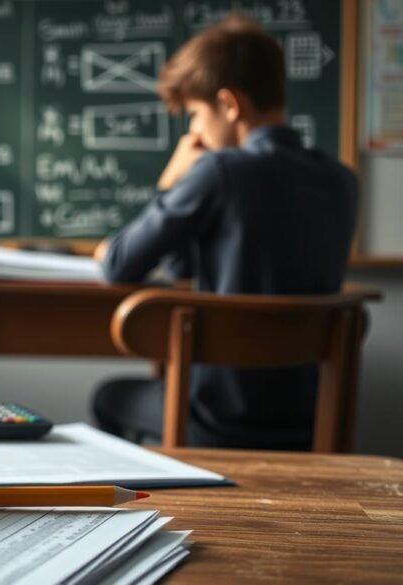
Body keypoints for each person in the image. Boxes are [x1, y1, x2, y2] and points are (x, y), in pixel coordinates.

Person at [90, 15, 358, 449]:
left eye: (196, 114)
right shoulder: (342, 180)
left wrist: (170, 182)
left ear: (230, 105)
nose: (193, 132)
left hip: (219, 417)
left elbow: (120, 265)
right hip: (310, 419)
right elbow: (183, 267)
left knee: (108, 398)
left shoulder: (220, 171)